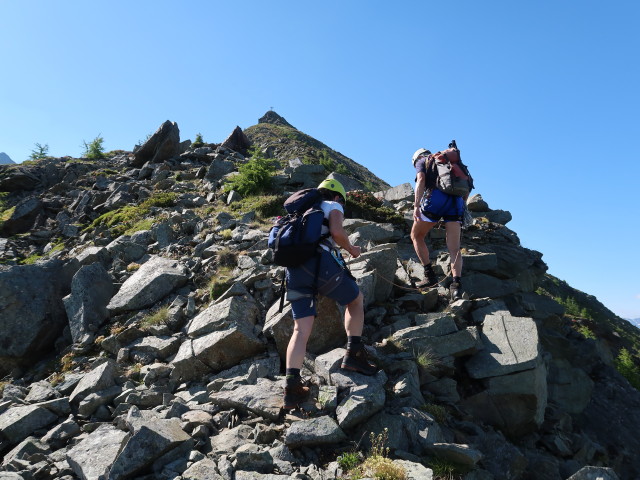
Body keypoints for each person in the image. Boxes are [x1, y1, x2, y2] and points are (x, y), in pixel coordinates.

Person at [283, 178, 377, 409]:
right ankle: (353, 354)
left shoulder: (301, 211)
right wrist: (352, 249)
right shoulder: (332, 205)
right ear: (337, 196)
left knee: (300, 329)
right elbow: (336, 232)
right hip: (320, 263)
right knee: (355, 300)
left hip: (294, 270)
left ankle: (291, 388)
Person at [410, 148, 466, 301]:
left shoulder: (422, 161)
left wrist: (416, 206)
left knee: (416, 235)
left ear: (416, 158)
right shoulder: (450, 163)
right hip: (456, 202)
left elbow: (421, 180)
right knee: (454, 248)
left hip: (436, 199)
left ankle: (430, 276)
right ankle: (456, 288)